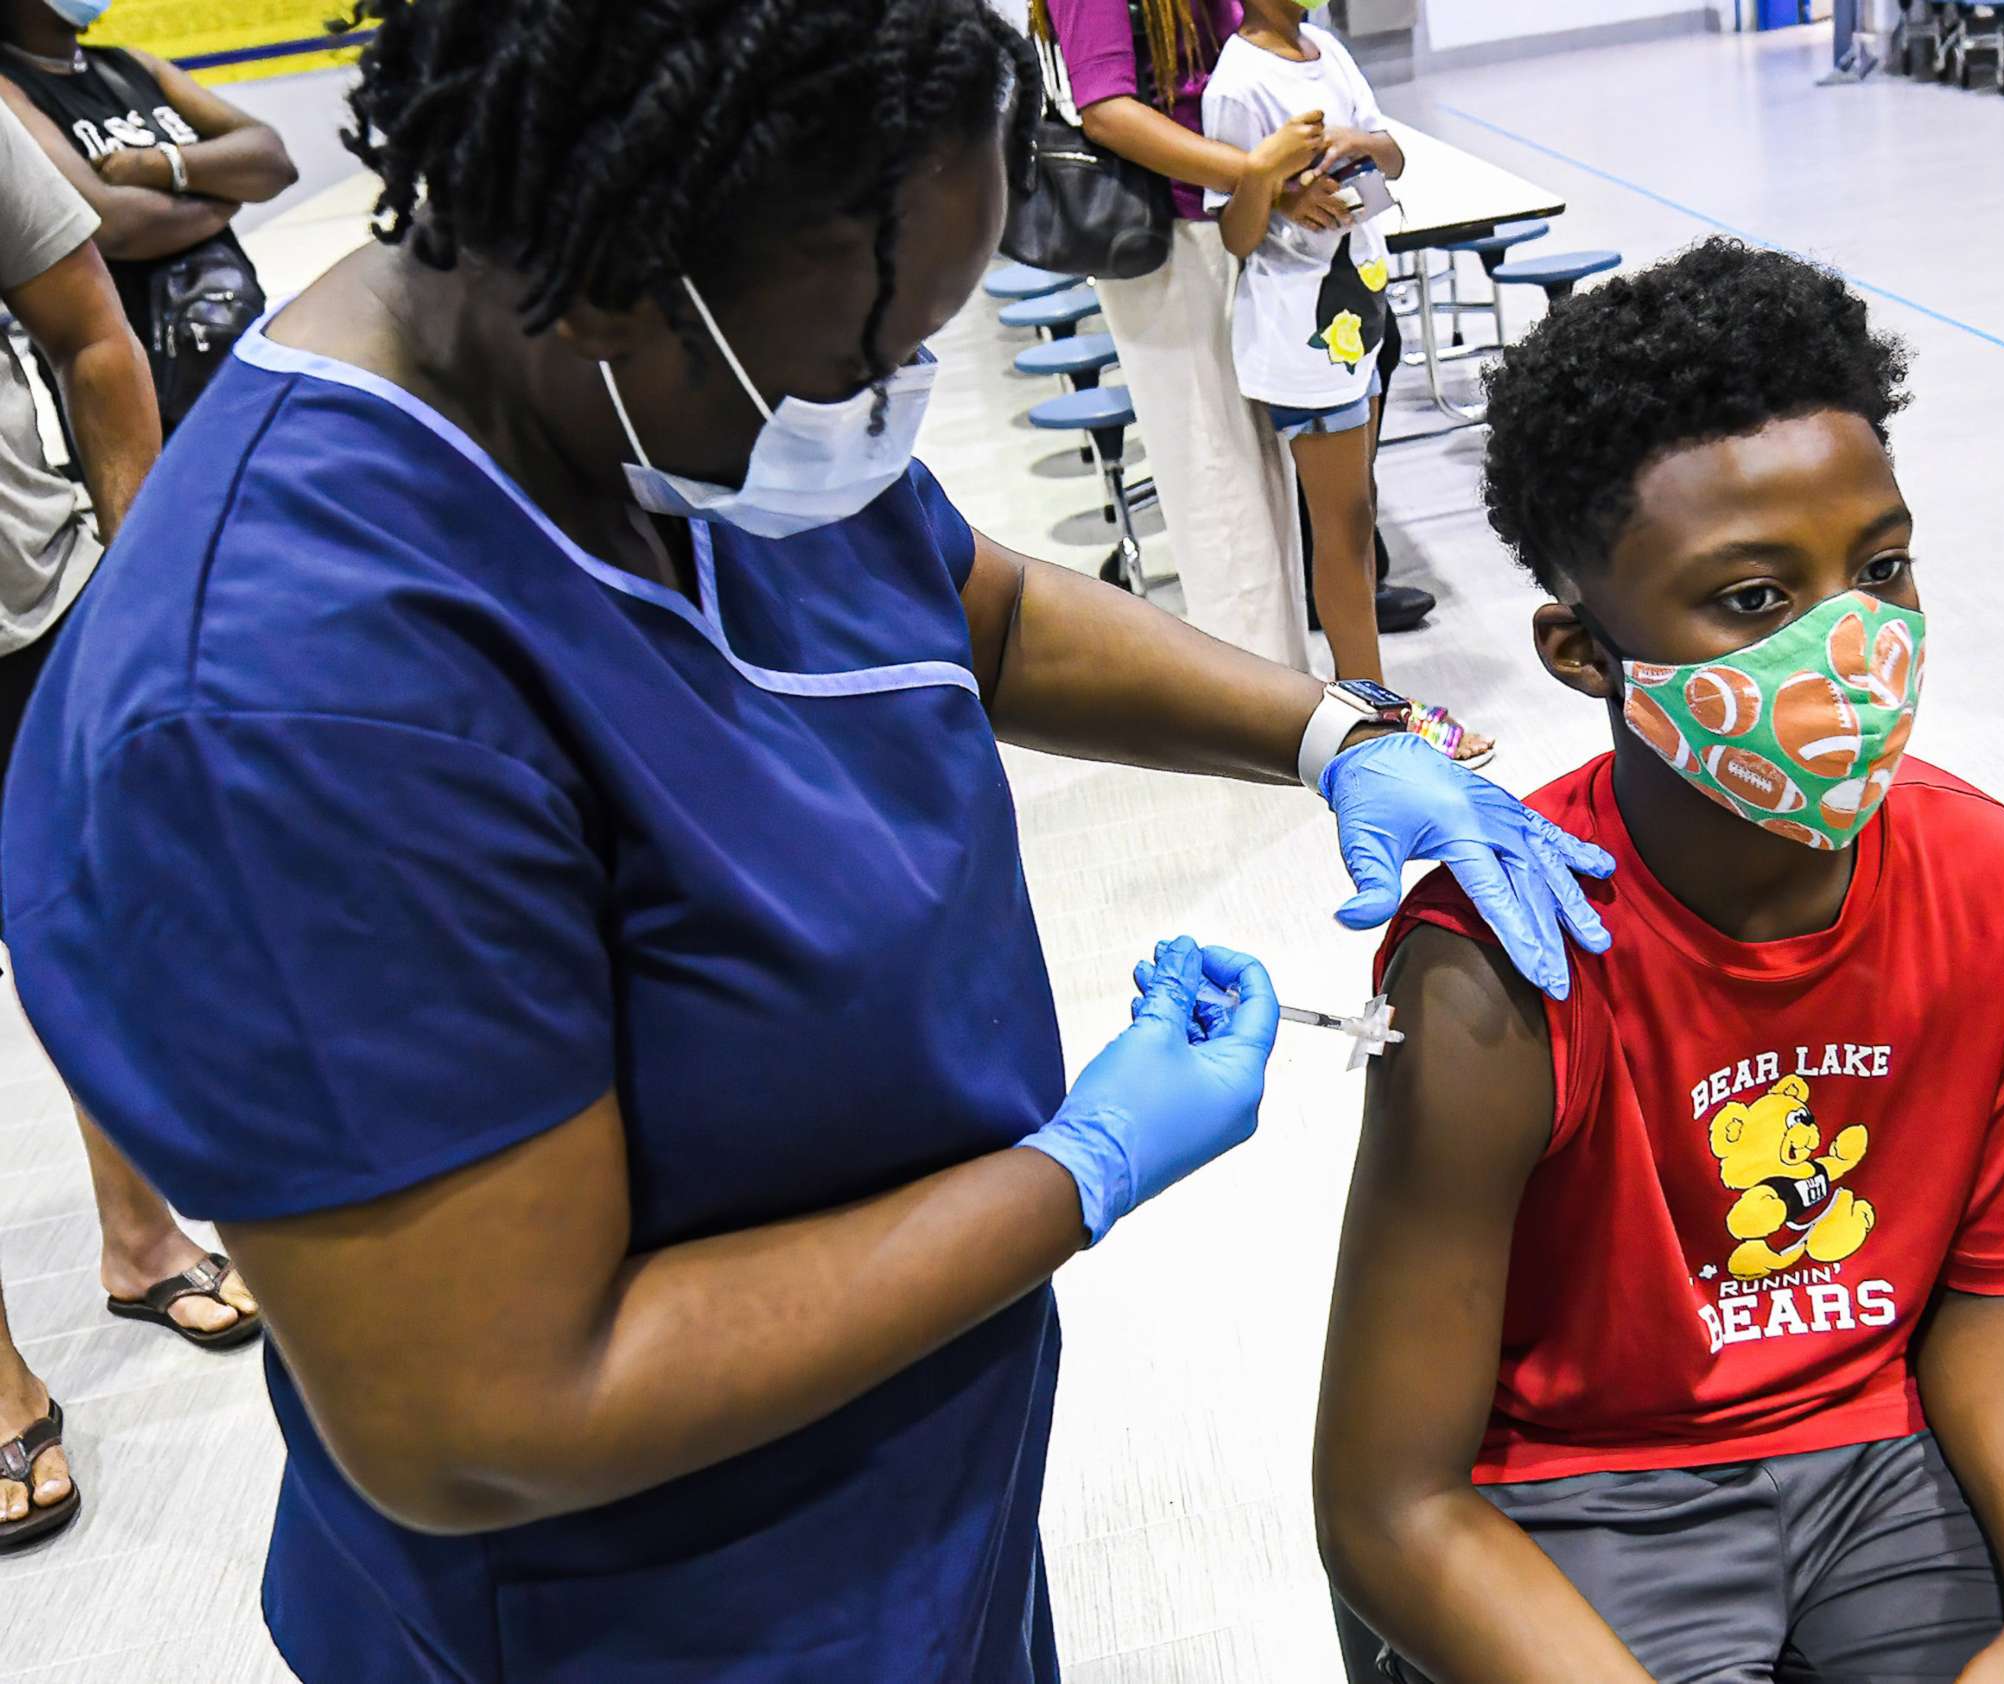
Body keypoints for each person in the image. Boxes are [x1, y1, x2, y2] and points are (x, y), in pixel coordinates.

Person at [0, 2, 1610, 1674]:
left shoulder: (669, 403)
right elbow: (485, 1408)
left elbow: (968, 603)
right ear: (617, 275)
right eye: (862, 359)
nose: (887, 404)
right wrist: (1080, 1166)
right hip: (648, 1603)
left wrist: (1327, 727)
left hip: (904, 1482)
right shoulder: (295, 696)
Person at [1312, 240, 2004, 1684]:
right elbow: (1386, 1505)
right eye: (1754, 600)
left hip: (1887, 1460)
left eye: (1882, 569)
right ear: (1581, 651)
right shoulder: (1492, 962)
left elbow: (1994, 1299)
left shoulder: (1986, 879)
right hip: (1577, 1494)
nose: (1851, 648)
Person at [0, 101, 256, 1554]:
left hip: (30, 608)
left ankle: (140, 1237)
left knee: (86, 933)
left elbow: (95, 332)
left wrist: (138, 597)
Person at [1030, 0, 1429, 665]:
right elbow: (1107, 109)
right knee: (1225, 497)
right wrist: (1256, 176)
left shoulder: (1311, 52)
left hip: (1240, 237)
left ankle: (1308, 702)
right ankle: (1268, 725)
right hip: (1177, 246)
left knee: (1277, 498)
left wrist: (1272, 180)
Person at [1205, 0, 1486, 761]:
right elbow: (1233, 230)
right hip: (1301, 341)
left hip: (1358, 317)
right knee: (1345, 528)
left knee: (1357, 521)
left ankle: (1370, 701)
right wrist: (1273, 179)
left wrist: (1359, 142)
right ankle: (1374, 715)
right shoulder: (1237, 83)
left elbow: (1391, 155)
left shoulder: (1324, 48)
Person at [0, 0, 298, 432]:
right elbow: (110, 223)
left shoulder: (128, 64)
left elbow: (272, 161)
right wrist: (222, 191)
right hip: (129, 380)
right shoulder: (9, 89)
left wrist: (156, 165)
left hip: (226, 346)